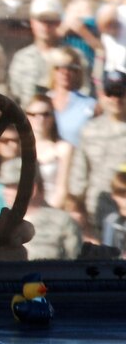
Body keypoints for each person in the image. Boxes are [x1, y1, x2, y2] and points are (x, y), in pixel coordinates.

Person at [67, 72, 126, 235]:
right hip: (97, 209)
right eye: (110, 93)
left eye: (120, 93)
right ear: (102, 95)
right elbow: (80, 171)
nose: (116, 99)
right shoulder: (90, 129)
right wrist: (76, 204)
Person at [6, 0, 66, 103]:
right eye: (41, 20)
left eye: (51, 21)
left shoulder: (70, 56)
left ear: (59, 23)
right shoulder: (21, 57)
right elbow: (15, 92)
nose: (45, 26)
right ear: (32, 22)